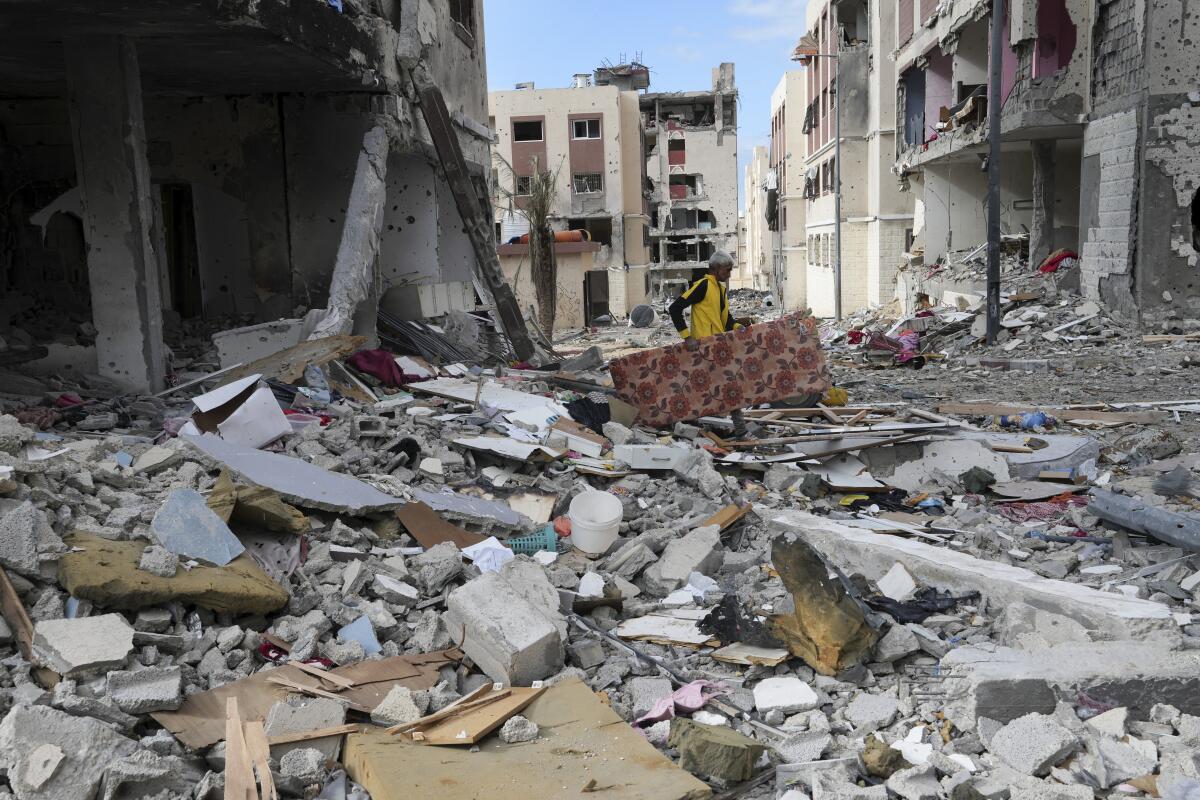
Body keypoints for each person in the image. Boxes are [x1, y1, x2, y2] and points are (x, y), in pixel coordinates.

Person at [667, 250, 756, 438]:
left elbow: (726, 321)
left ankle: (689, 425)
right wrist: (687, 337)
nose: (730, 274)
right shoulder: (703, 285)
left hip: (717, 347)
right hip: (702, 348)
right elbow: (675, 309)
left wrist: (740, 327)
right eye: (727, 270)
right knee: (730, 387)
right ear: (716, 269)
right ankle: (740, 431)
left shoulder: (720, 289)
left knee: (712, 388)